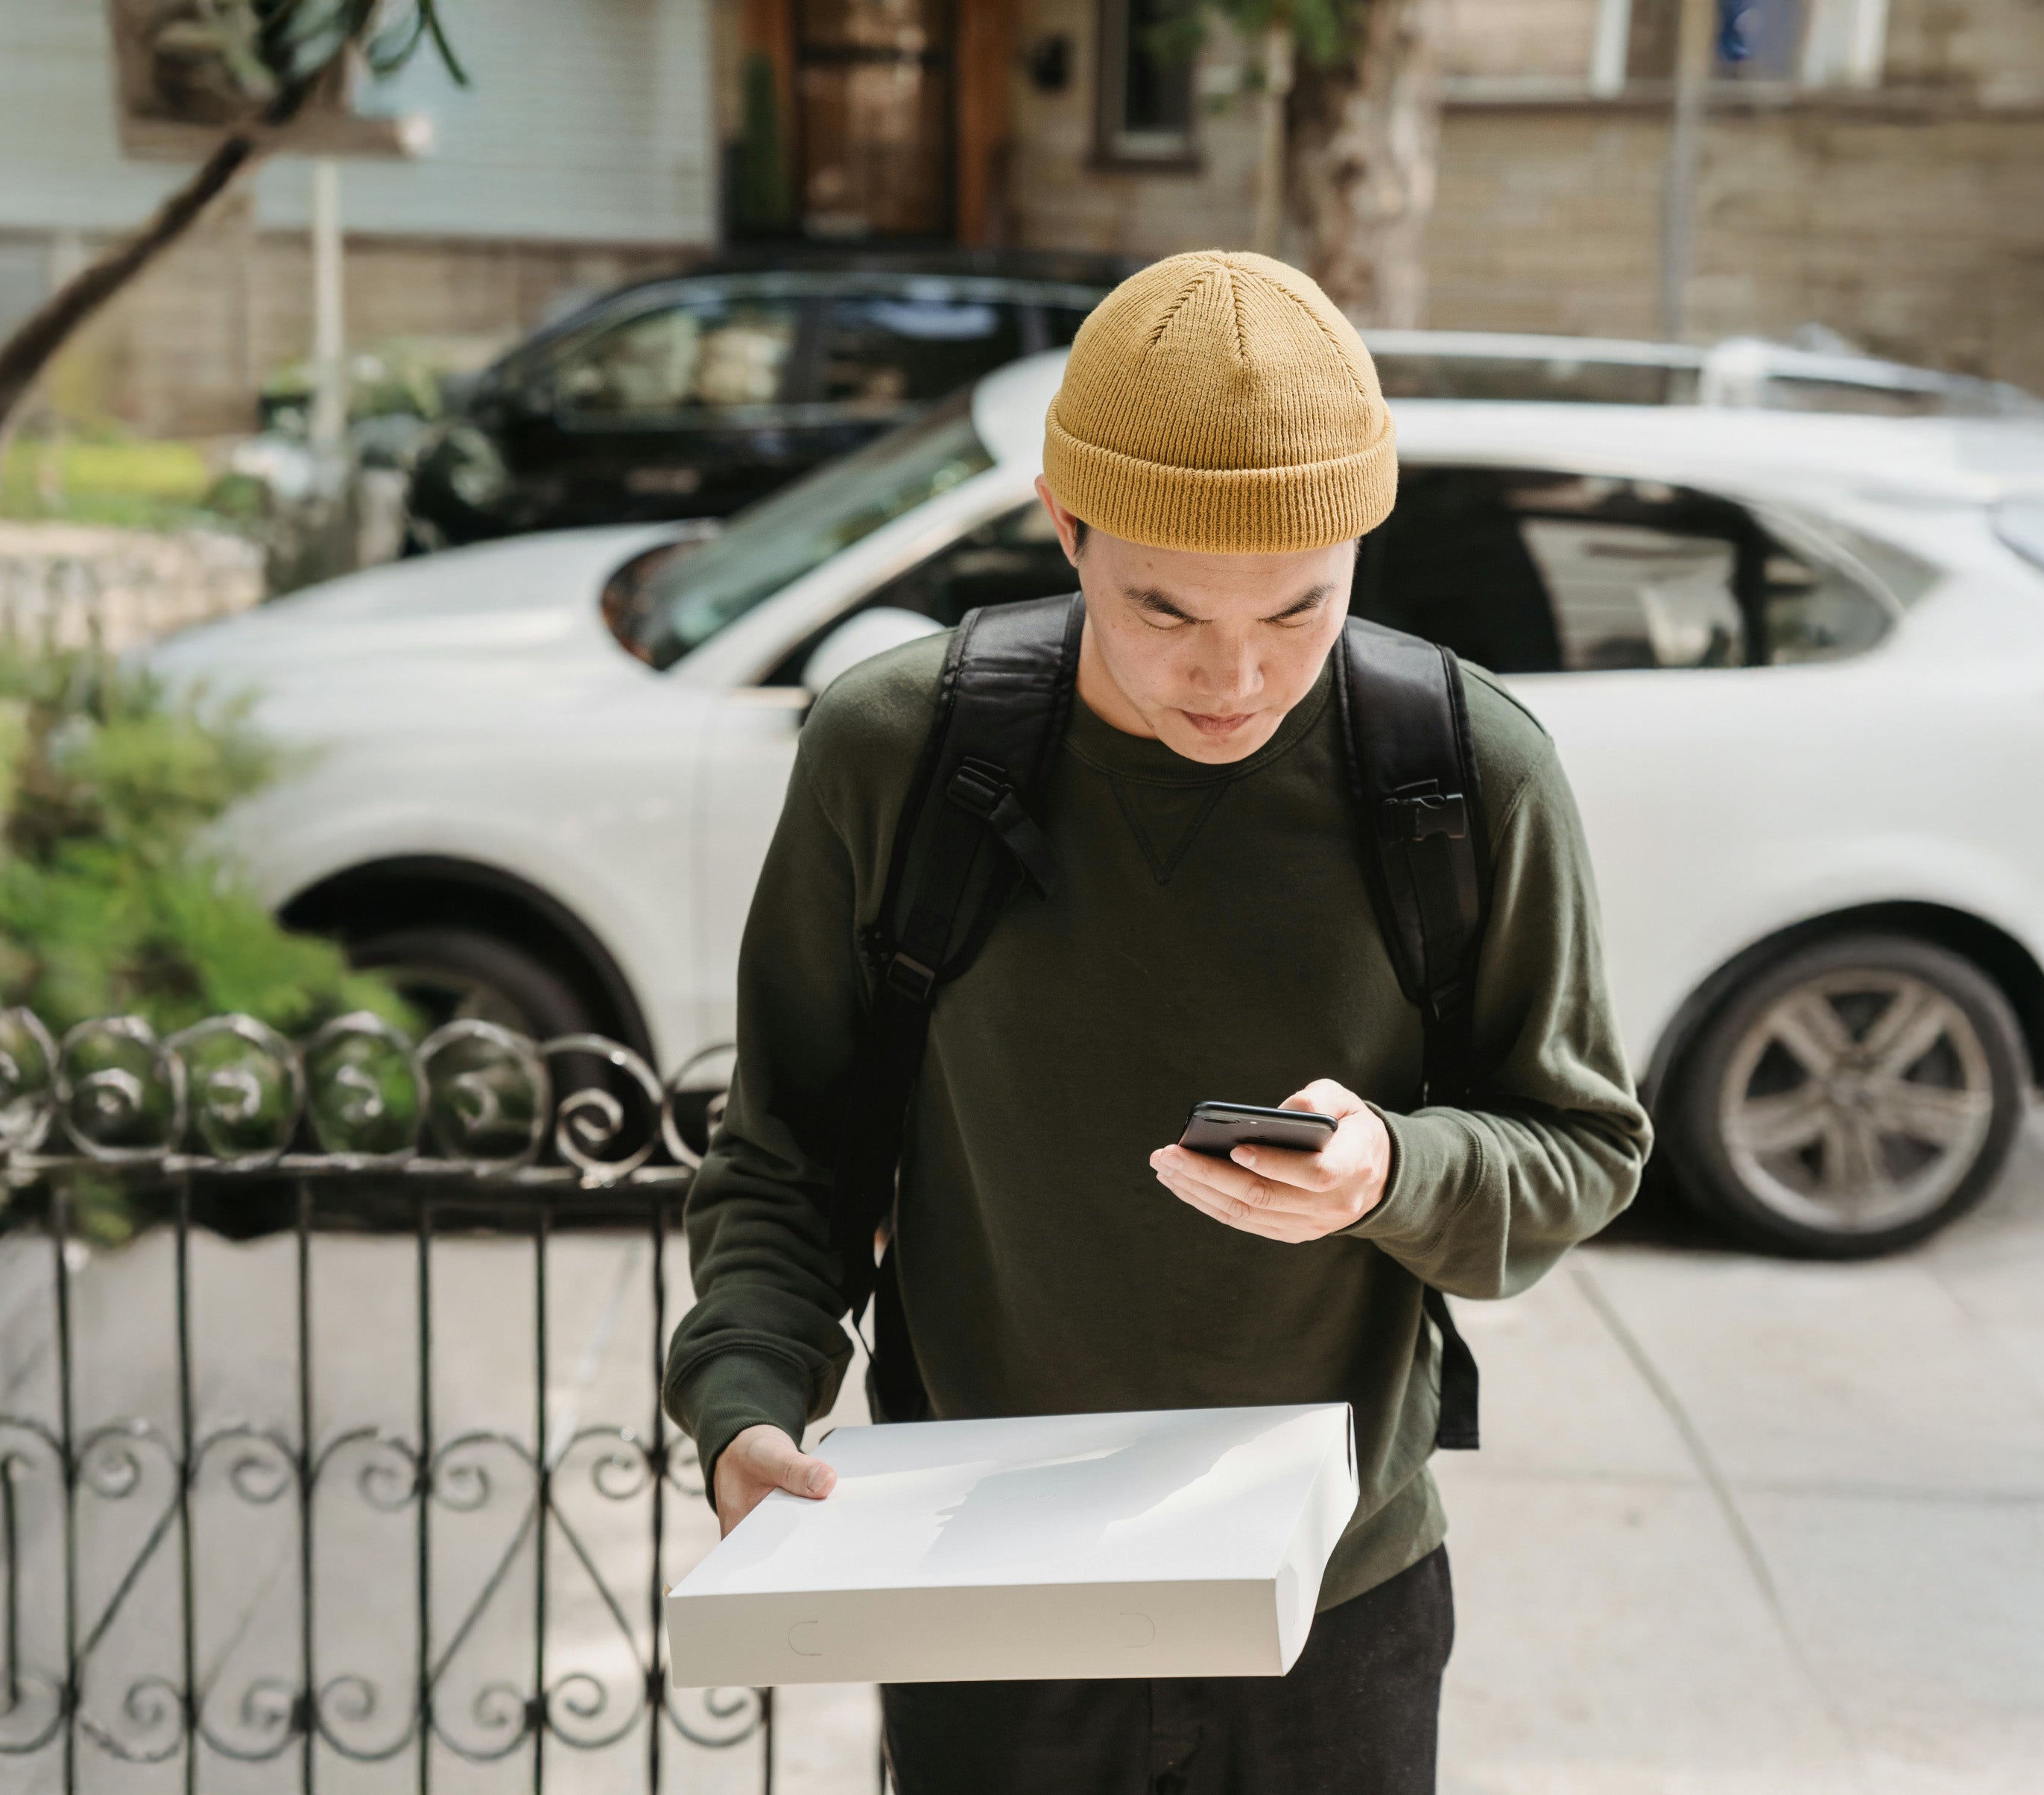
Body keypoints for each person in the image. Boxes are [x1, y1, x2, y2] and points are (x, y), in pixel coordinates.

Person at [662, 250, 1652, 1794]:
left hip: (1337, 1599)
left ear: (1361, 544)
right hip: (978, 1581)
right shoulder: (892, 754)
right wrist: (743, 1395)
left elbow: (1581, 1146)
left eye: (1300, 604)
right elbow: (791, 1152)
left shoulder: (1466, 773)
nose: (1235, 673)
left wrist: (1393, 1168)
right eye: (1164, 605)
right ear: (1066, 528)